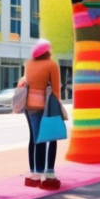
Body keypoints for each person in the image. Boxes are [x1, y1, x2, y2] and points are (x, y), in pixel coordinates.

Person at [20, 39, 61, 190]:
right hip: (45, 106)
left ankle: (34, 173)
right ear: (47, 52)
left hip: (28, 106)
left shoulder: (28, 64)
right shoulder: (52, 65)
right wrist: (57, 108)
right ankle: (48, 174)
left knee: (35, 139)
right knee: (51, 138)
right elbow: (56, 90)